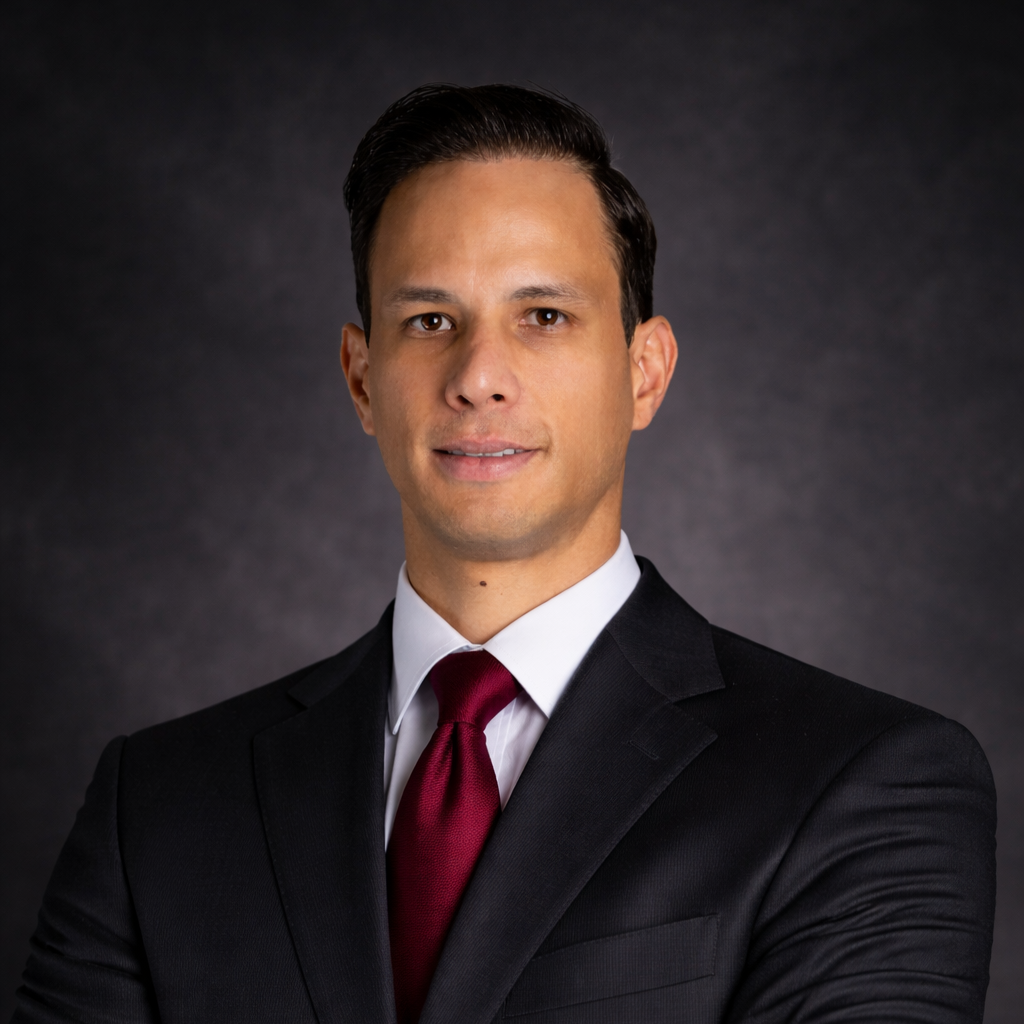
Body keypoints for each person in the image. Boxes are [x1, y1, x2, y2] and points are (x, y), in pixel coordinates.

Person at [13, 84, 996, 1024]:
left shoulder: (861, 780)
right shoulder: (160, 803)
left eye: (543, 316)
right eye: (430, 320)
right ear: (362, 378)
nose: (479, 376)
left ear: (643, 372)